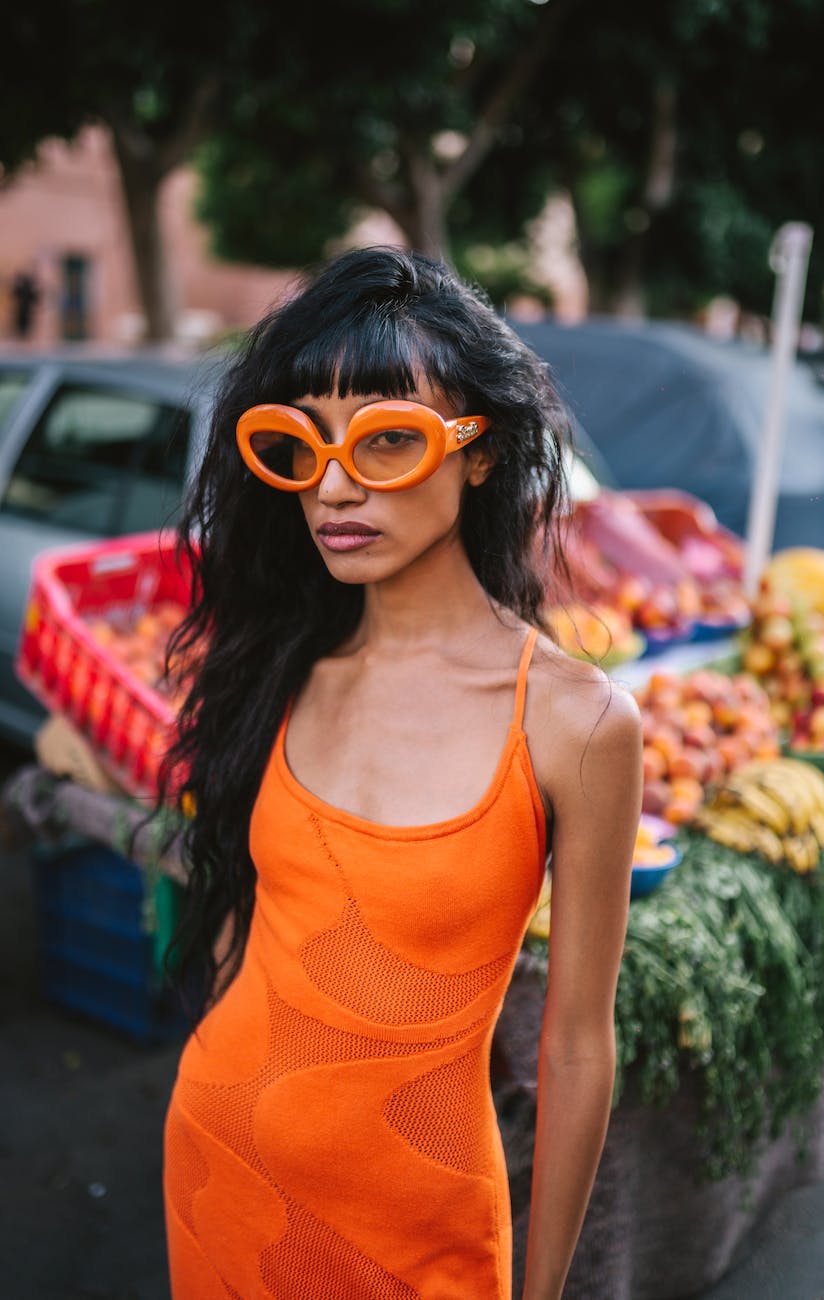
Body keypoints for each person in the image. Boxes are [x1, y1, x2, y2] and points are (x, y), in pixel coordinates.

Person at [161, 246, 642, 1300]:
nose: (334, 486)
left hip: (417, 1231)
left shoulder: (575, 725)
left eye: (387, 441)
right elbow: (253, 926)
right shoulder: (283, 665)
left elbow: (572, 1049)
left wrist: (544, 1286)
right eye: (301, 446)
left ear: (479, 453)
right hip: (218, 1170)